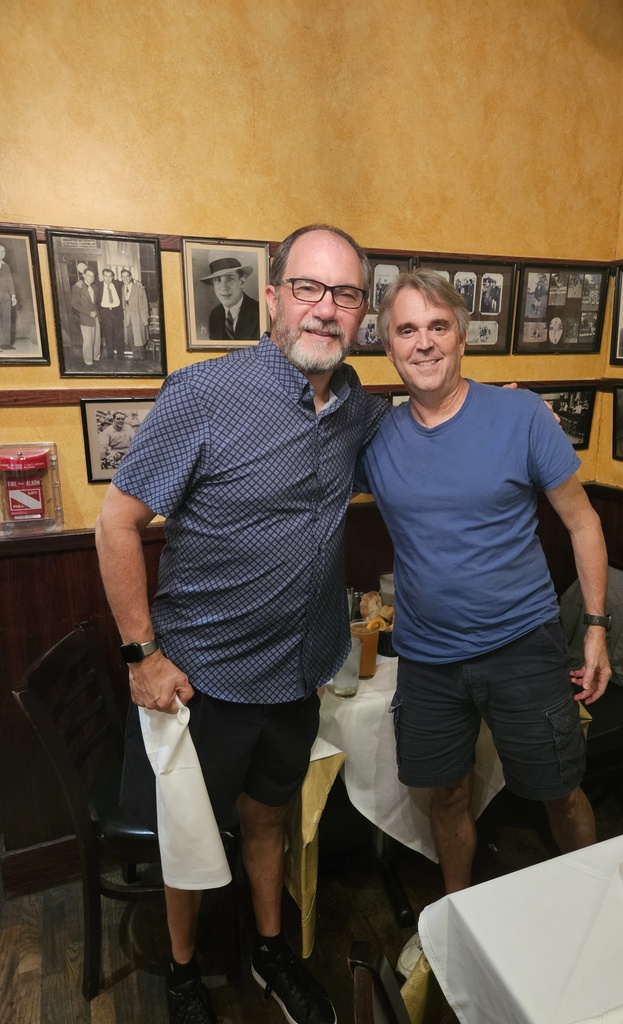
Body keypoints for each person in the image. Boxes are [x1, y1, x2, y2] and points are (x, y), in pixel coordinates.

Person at [95, 225, 391, 1024]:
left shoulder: (357, 405)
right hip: (205, 680)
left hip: (298, 674)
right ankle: (183, 974)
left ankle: (269, 951)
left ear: (362, 311)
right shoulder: (203, 394)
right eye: (308, 288)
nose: (325, 309)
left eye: (345, 294)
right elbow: (114, 523)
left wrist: (491, 409)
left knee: (268, 818)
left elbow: (430, 427)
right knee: (189, 840)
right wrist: (142, 656)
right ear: (272, 298)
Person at [355, 269, 612, 895]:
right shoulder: (374, 438)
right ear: (388, 348)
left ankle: (595, 904)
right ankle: (458, 918)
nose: (424, 343)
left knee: (559, 789)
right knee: (447, 797)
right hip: (427, 659)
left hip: (523, 647)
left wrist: (596, 628)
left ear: (462, 338)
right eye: (407, 330)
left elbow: (583, 522)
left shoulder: (520, 414)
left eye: (437, 326)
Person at [202, 256, 261, 341]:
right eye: (218, 279)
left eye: (229, 279)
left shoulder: (259, 313)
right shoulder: (215, 315)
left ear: (242, 282)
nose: (224, 287)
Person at [71, 268, 101, 366]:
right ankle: (88, 361)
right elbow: (74, 304)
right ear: (83, 275)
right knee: (88, 341)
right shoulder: (77, 287)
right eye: (88, 275)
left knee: (97, 339)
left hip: (96, 316)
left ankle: (96, 357)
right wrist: (88, 313)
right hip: (85, 317)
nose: (91, 278)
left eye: (92, 276)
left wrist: (135, 281)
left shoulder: (95, 287)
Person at [121, 269, 149, 362]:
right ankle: (135, 356)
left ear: (130, 277)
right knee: (131, 337)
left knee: (139, 338)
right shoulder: (122, 288)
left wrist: (145, 318)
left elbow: (144, 304)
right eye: (123, 276)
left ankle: (142, 357)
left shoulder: (139, 287)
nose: (125, 278)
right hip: (127, 318)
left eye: (127, 276)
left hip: (138, 317)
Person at [98, 268, 124, 363]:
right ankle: (110, 354)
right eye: (106, 276)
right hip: (105, 313)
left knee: (119, 335)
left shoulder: (117, 284)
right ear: (103, 276)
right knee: (108, 335)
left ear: (112, 277)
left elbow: (128, 279)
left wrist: (136, 281)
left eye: (110, 276)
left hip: (117, 312)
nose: (108, 278)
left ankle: (121, 355)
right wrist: (79, 282)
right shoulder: (98, 285)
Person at [0, 244, 17, 350]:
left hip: (6, 297)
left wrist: (13, 296)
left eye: (3, 251)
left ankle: (6, 343)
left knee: (7, 319)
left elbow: (10, 281)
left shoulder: (6, 266)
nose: (2, 253)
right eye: (0, 251)